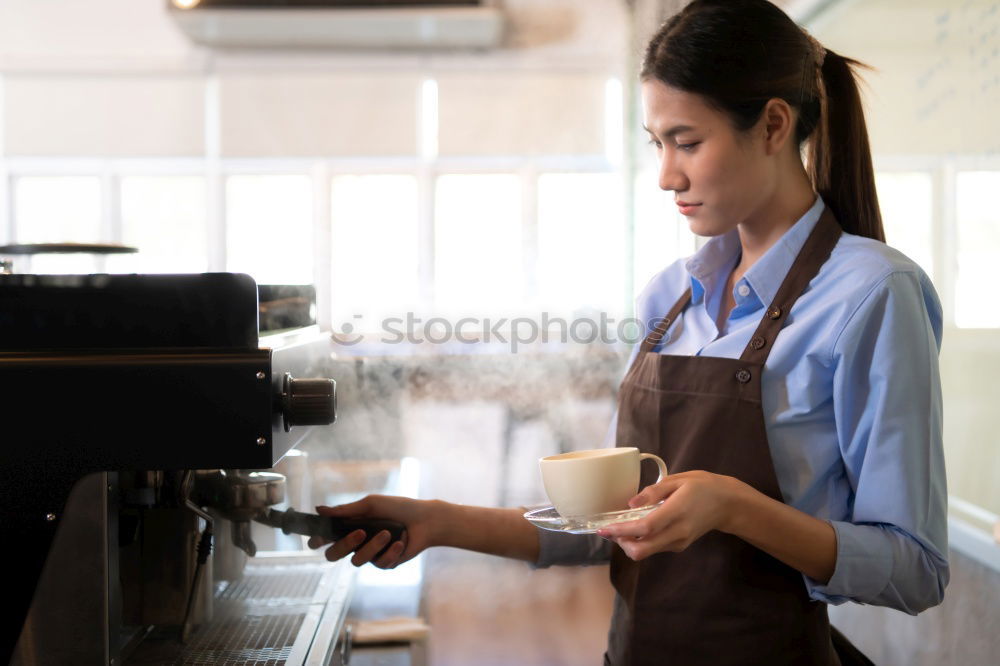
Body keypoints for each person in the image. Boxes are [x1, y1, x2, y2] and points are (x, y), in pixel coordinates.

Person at [309, 1, 949, 663]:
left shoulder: (871, 294)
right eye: (657, 143)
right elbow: (615, 522)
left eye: (688, 141)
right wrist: (438, 521)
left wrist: (733, 506)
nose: (668, 175)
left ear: (773, 126)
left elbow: (915, 570)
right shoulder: (668, 296)